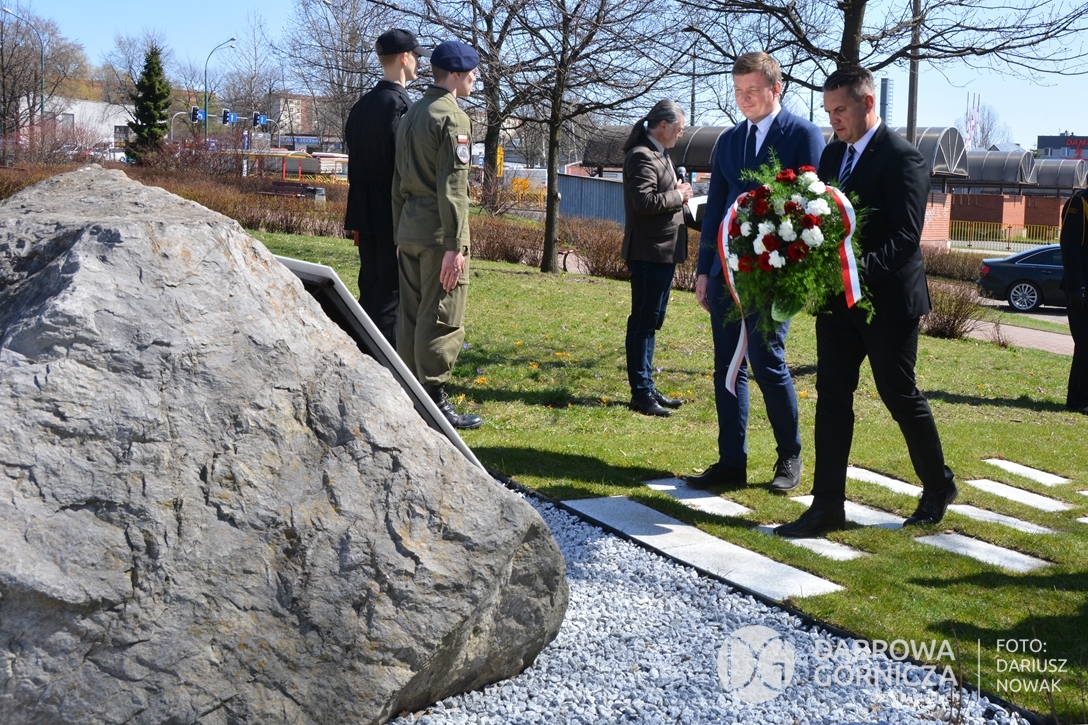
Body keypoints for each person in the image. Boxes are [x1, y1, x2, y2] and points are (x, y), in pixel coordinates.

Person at [775, 65, 957, 538]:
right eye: (828, 111)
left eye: (840, 110)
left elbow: (905, 237)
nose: (832, 119)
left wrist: (853, 274)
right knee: (832, 396)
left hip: (889, 302)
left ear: (867, 103)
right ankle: (826, 506)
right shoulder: (832, 154)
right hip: (837, 303)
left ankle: (938, 485)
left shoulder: (903, 157)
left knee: (898, 394)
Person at [685, 52, 825, 493]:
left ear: (775, 88)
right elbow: (714, 211)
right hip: (725, 272)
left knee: (767, 363)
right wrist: (703, 270)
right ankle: (732, 462)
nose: (744, 99)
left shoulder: (802, 134)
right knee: (727, 367)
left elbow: (813, 206)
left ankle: (789, 456)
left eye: (752, 90)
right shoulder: (729, 140)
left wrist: (798, 275)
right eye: (738, 91)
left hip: (773, 273)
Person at [392, 39, 482, 430]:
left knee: (411, 316)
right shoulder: (452, 118)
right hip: (438, 236)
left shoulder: (411, 113)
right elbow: (454, 188)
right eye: (472, 73)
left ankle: (410, 396)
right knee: (441, 315)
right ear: (457, 75)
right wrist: (455, 246)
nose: (475, 79)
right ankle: (434, 400)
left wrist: (398, 234)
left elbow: (397, 181)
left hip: (410, 230)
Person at [343, 29, 429, 347]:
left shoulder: (361, 106)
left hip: (363, 215)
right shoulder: (403, 108)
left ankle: (361, 355)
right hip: (393, 218)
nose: (419, 62)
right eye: (416, 56)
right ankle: (384, 367)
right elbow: (405, 171)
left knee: (369, 291)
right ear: (404, 58)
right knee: (391, 300)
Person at [621, 99, 693, 417]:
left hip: (662, 251)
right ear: (662, 125)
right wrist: (679, 195)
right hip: (648, 252)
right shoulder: (641, 155)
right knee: (643, 323)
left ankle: (647, 386)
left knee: (651, 322)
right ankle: (641, 393)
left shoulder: (660, 154)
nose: (681, 133)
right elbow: (644, 202)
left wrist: (677, 193)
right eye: (679, 128)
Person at [1060, 188, 1088, 414]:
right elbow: (1069, 247)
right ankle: (1082, 400)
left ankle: (1076, 398)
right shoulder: (1079, 203)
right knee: (1085, 344)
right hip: (1081, 289)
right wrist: (1077, 286)